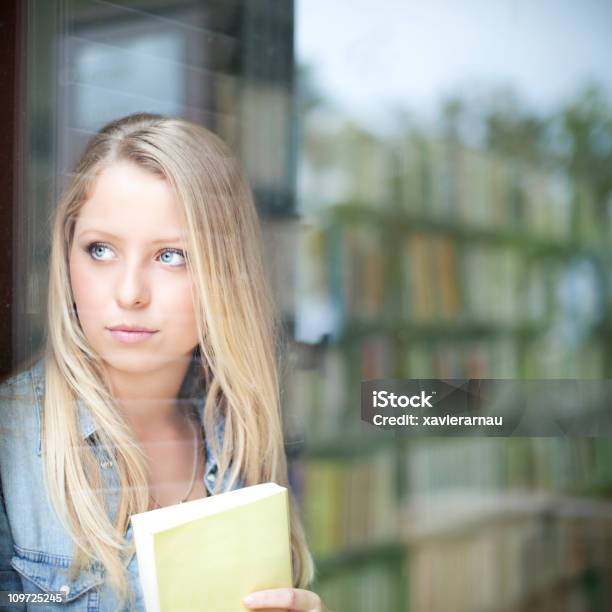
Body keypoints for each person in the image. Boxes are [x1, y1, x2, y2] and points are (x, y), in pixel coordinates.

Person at [0, 113, 325, 611]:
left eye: (171, 255)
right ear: (67, 256)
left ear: (225, 272)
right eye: (101, 249)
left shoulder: (242, 435)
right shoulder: (10, 439)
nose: (130, 293)